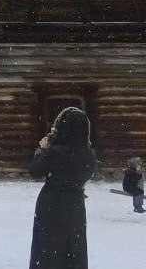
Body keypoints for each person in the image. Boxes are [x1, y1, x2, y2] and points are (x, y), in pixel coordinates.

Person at [28, 107, 97, 269]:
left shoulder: (54, 152)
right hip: (75, 203)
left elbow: (35, 170)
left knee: (48, 247)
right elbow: (83, 174)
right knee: (73, 245)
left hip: (52, 202)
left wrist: (43, 150)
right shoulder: (88, 155)